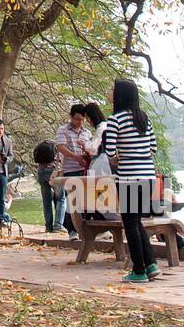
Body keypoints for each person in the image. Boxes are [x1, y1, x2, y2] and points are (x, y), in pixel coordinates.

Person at [103, 80, 160, 283]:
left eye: (112, 90)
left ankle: (138, 270)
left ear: (120, 95)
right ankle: (151, 263)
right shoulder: (144, 118)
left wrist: (122, 156)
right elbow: (153, 147)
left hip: (128, 176)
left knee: (130, 223)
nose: (110, 93)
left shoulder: (114, 120)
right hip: (148, 174)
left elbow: (109, 151)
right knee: (137, 222)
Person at [54, 104, 92, 239]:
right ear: (71, 116)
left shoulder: (87, 133)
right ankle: (72, 230)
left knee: (84, 201)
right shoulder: (63, 130)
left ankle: (85, 229)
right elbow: (60, 147)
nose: (79, 122)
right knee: (72, 201)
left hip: (85, 170)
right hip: (70, 169)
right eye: (76, 119)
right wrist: (76, 157)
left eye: (82, 119)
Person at [32, 136, 59, 232]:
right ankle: (58, 225)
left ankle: (48, 226)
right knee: (61, 198)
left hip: (40, 171)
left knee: (46, 200)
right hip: (51, 170)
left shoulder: (41, 146)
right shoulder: (57, 146)